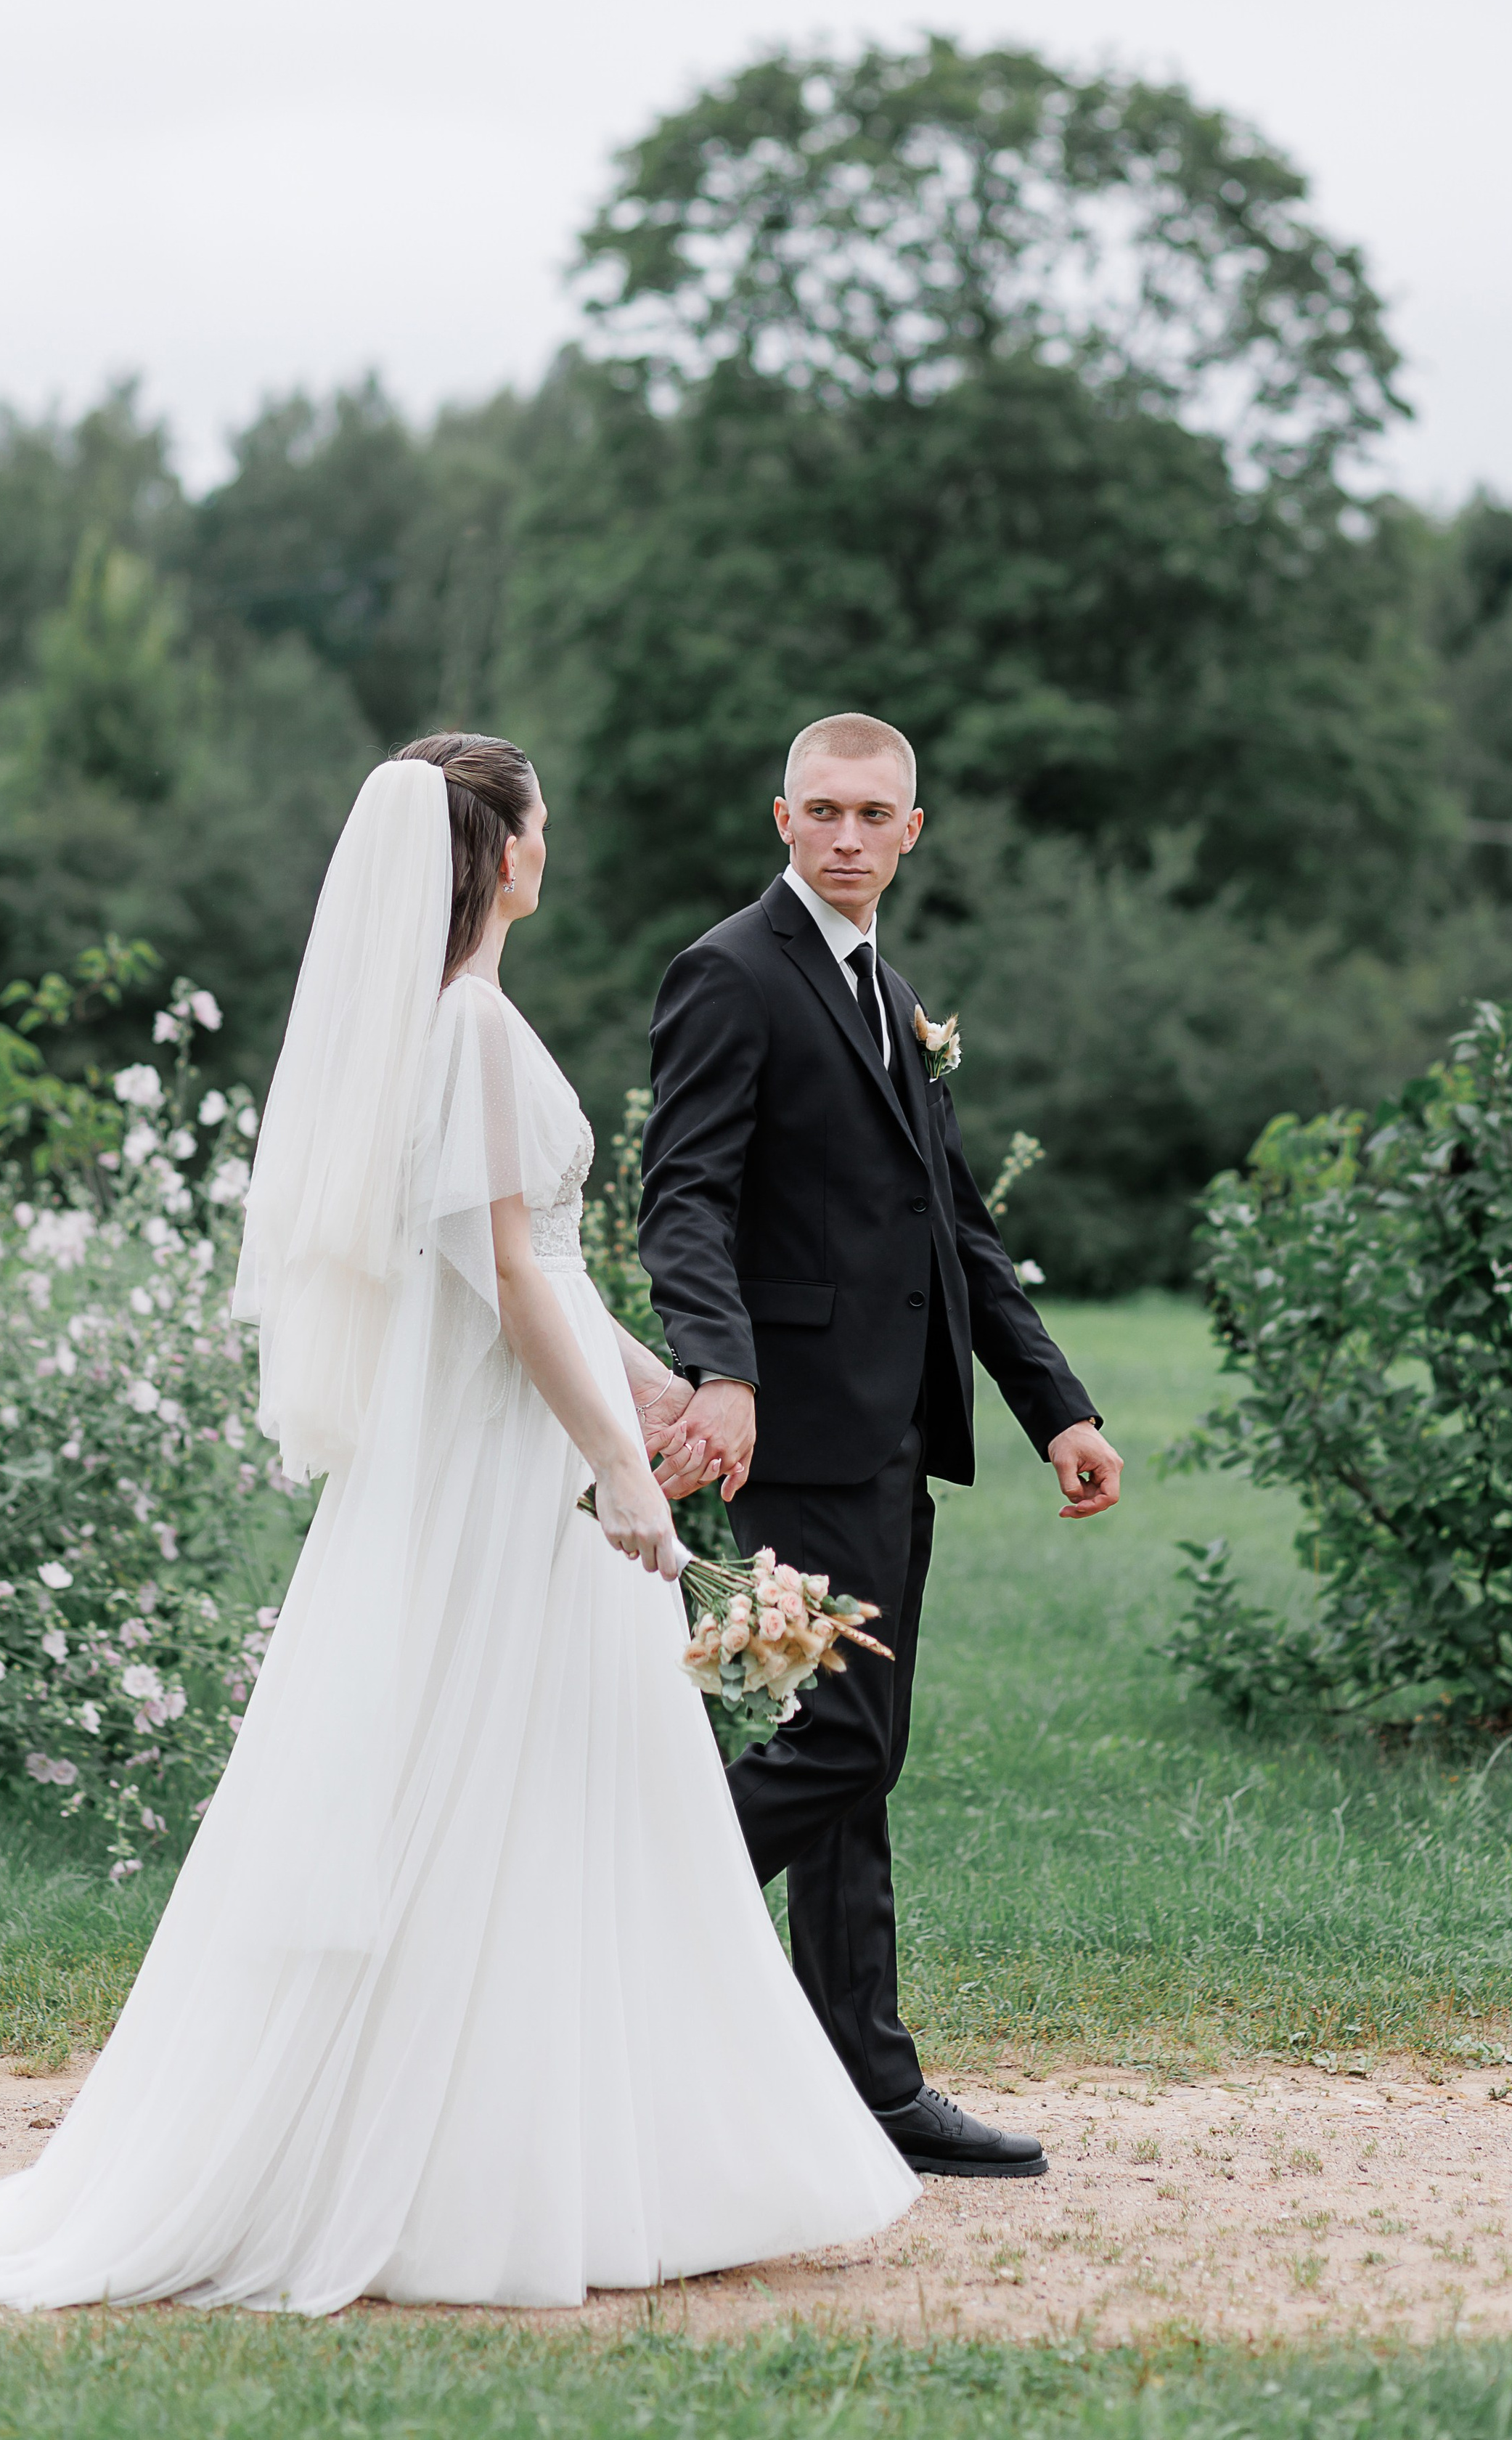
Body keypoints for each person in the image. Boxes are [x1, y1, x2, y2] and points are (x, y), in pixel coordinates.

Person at [0, 738, 916, 2314]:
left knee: (553, 1796)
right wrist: (621, 1471)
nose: (547, 847)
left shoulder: (461, 1030)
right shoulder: (470, 1038)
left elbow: (550, 1271)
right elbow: (503, 1285)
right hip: (508, 1482)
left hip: (523, 1455)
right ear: (496, 855)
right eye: (538, 826)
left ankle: (590, 2151)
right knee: (487, 1783)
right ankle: (449, 2172)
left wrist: (652, 1391)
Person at [639, 713, 1124, 2182]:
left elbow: (954, 1229)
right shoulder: (730, 972)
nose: (846, 836)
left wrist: (1059, 1408)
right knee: (843, 1743)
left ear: (912, 832)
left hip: (890, 1437)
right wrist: (720, 1375)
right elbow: (684, 1198)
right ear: (777, 817)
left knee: (847, 1760)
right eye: (821, 811)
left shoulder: (888, 991)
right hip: (783, 1438)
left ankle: (866, 2082)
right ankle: (615, 1925)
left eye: (873, 815)